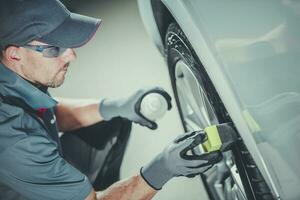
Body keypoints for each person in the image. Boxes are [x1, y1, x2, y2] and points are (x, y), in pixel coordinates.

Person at [0, 0, 222, 199]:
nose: (71, 55)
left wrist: (116, 107)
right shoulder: (14, 139)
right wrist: (160, 169)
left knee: (109, 120)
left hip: (29, 169)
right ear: (14, 54)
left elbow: (46, 113)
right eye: (54, 49)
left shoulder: (15, 79)